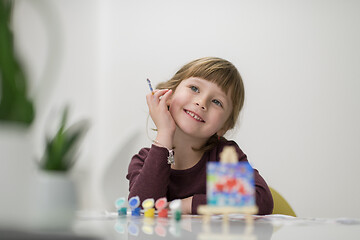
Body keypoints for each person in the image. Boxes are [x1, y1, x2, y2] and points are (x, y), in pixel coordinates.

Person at [126, 57, 273, 215]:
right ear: (169, 94)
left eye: (217, 102)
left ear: (224, 126)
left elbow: (260, 199)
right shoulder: (143, 160)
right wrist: (164, 133)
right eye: (195, 88)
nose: (202, 102)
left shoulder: (221, 157)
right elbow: (142, 209)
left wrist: (185, 205)